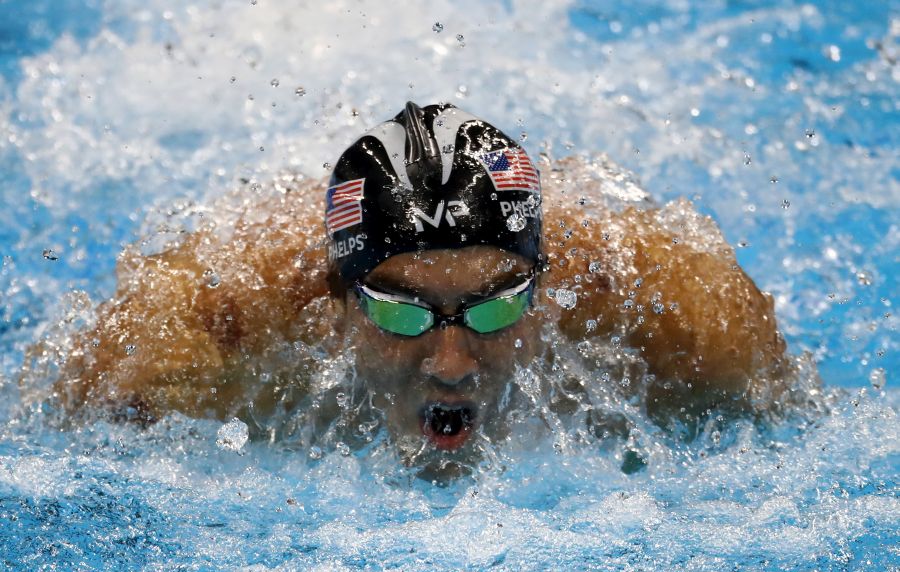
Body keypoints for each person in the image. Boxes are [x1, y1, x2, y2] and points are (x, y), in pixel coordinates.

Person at [43, 102, 788, 468]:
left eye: (497, 305)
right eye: (403, 314)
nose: (453, 363)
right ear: (335, 299)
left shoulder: (691, 325)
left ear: (544, 288)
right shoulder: (199, 338)